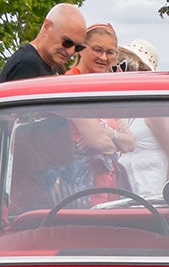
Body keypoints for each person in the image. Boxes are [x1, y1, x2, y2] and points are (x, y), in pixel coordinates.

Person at [50, 24, 134, 206]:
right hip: (80, 186)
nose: (104, 57)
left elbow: (131, 144)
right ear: (81, 50)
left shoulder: (107, 88)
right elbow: (98, 142)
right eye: (98, 50)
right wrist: (111, 138)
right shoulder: (72, 82)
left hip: (110, 185)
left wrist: (108, 135)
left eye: (110, 52)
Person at [113, 39, 169, 200]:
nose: (119, 71)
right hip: (129, 195)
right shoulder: (128, 110)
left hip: (154, 195)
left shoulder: (155, 109)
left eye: (126, 66)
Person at [0, 3, 88, 82]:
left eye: (78, 48)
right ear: (47, 26)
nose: (71, 52)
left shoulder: (48, 65)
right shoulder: (27, 66)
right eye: (67, 42)